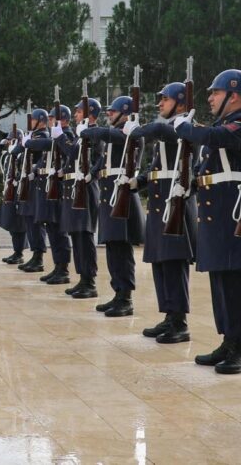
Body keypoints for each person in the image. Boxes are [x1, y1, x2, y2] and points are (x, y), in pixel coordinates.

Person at [175, 69, 241, 374]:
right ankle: (228, 341)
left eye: (215, 92)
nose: (210, 98)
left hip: (234, 211)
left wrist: (187, 128)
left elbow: (214, 137)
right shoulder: (223, 124)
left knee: (234, 283)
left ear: (234, 95)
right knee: (220, 281)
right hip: (217, 212)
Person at [127, 82, 197, 343]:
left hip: (175, 204)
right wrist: (141, 180)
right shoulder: (168, 129)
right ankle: (169, 315)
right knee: (161, 262)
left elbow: (161, 131)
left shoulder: (183, 127)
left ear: (180, 102)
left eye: (164, 100)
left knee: (174, 264)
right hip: (161, 204)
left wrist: (139, 129)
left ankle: (180, 322)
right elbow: (159, 167)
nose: (159, 104)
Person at [82, 96, 145, 317]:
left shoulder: (130, 132)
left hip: (122, 196)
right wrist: (91, 173)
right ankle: (118, 293)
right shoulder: (117, 133)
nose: (109, 114)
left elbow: (111, 136)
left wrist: (91, 129)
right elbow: (103, 160)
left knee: (122, 249)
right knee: (112, 247)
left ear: (125, 113)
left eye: (113, 111)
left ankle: (126, 297)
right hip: (110, 196)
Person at [54, 97, 102, 299]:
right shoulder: (81, 133)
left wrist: (59, 138)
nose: (75, 115)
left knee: (84, 235)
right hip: (75, 188)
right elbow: (72, 157)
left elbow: (97, 157)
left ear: (90, 113)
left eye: (79, 112)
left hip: (87, 189)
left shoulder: (95, 133)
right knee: (76, 235)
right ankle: (82, 278)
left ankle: (89, 281)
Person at [25, 105, 72, 284]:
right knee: (52, 229)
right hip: (48, 187)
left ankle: (64, 269)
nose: (50, 121)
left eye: (53, 119)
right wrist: (37, 169)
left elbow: (53, 146)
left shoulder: (66, 135)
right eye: (50, 118)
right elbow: (46, 158)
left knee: (60, 231)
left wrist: (29, 142)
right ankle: (57, 267)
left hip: (58, 189)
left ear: (62, 120)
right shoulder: (56, 136)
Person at [17, 108, 50, 273]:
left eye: (33, 120)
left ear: (41, 121)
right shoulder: (33, 136)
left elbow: (39, 144)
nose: (30, 123)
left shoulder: (43, 135)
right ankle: (34, 255)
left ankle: (39, 257)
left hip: (37, 182)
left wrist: (27, 142)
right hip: (28, 182)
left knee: (36, 220)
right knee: (29, 218)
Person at [0, 130, 28, 264]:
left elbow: (25, 170)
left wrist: (18, 179)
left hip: (18, 192)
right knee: (10, 223)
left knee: (19, 225)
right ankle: (16, 251)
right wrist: (0, 145)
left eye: (10, 140)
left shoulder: (21, 155)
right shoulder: (8, 156)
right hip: (9, 191)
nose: (8, 142)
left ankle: (19, 253)